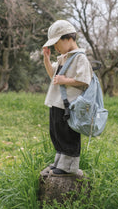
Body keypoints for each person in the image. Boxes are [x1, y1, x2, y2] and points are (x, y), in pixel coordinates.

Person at [42, 20, 93, 176]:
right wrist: (46, 58)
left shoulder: (80, 58)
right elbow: (53, 76)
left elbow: (85, 80)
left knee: (68, 134)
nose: (56, 47)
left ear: (69, 38)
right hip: (57, 103)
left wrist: (65, 80)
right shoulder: (63, 57)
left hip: (69, 106)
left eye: (57, 43)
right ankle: (60, 162)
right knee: (56, 133)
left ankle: (69, 167)